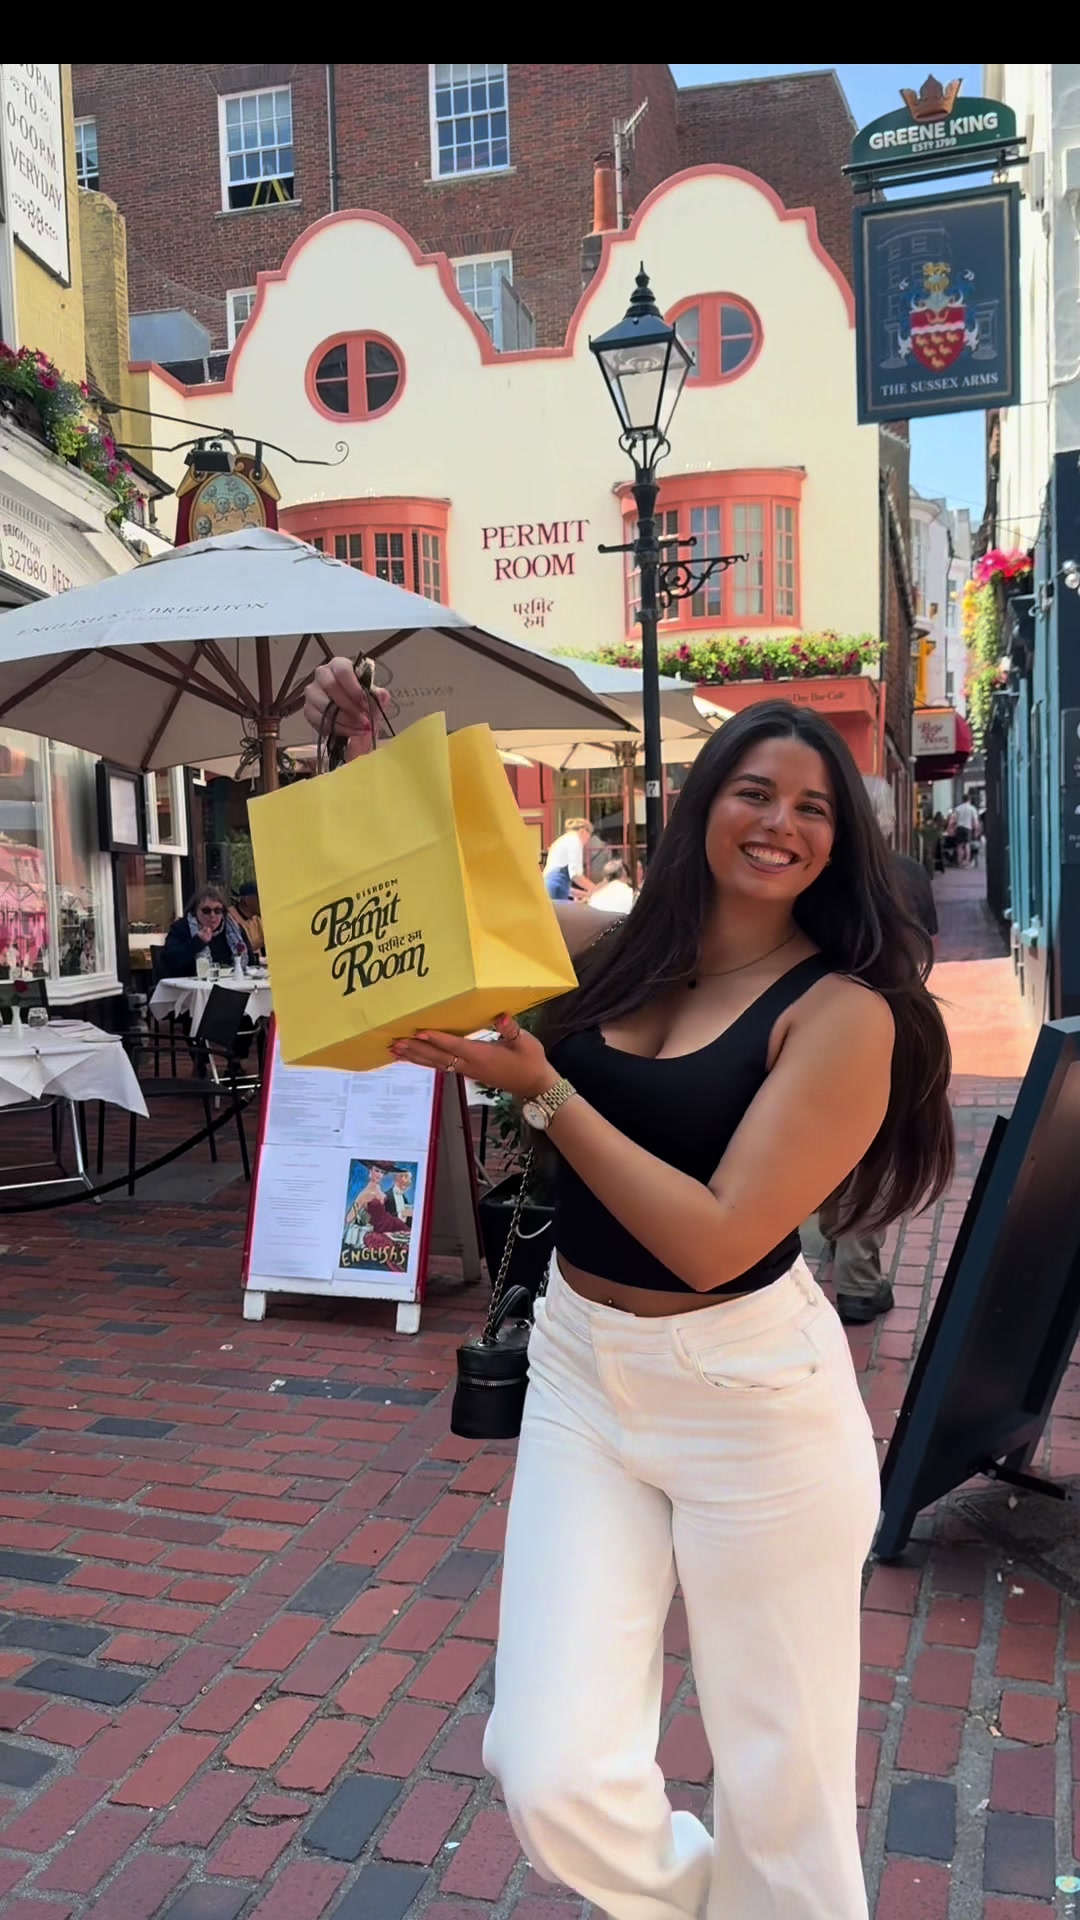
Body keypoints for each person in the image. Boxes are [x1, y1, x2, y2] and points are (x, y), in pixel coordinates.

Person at [304, 658, 954, 1920]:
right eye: (755, 793)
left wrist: (545, 1090)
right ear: (704, 805)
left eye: (814, 808)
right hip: (583, 1372)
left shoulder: (844, 1017)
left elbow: (713, 1240)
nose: (780, 823)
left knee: (786, 1790)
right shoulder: (613, 951)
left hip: (752, 1400)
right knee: (546, 1769)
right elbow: (437, 914)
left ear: (842, 842)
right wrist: (367, 756)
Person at [823, 777, 940, 1324]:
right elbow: (923, 957)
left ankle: (807, 1257)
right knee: (868, 1154)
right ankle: (859, 1284)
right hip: (891, 1029)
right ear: (887, 817)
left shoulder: (819, 879)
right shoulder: (910, 875)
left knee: (815, 1143)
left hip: (819, 1027)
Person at [162, 885, 252, 976]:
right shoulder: (181, 928)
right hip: (193, 985)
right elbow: (168, 962)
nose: (212, 916)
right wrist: (197, 942)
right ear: (195, 911)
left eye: (217, 910)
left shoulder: (234, 929)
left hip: (231, 982)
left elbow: (251, 962)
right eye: (206, 911)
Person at [542, 817, 595, 901]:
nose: (586, 842)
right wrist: (596, 890)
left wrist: (586, 894)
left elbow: (567, 888)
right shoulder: (575, 840)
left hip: (548, 886)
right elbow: (576, 875)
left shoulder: (562, 840)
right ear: (583, 831)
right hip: (556, 888)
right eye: (588, 838)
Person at [230, 882, 264, 956]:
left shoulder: (256, 919)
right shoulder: (231, 917)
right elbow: (239, 948)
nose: (263, 901)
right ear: (247, 900)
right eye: (259, 897)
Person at [952, 791, 980, 867]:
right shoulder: (972, 808)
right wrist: (976, 831)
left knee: (959, 845)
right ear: (969, 800)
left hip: (959, 827)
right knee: (967, 845)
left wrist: (952, 828)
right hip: (968, 828)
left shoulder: (958, 808)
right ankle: (967, 862)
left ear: (962, 800)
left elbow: (953, 819)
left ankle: (959, 861)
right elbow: (975, 821)